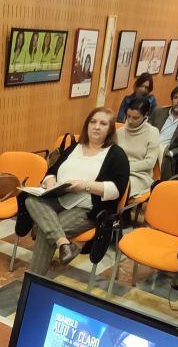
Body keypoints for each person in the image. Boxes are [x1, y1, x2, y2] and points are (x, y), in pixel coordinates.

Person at [18, 107, 130, 274]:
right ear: (87, 125)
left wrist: (84, 185)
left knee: (45, 230)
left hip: (89, 207)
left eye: (103, 123)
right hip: (59, 197)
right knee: (30, 199)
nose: (96, 127)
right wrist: (51, 184)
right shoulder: (75, 147)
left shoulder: (116, 154)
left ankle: (32, 281)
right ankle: (65, 244)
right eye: (93, 122)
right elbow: (51, 172)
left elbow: (116, 190)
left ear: (110, 129)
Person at [115, 96, 160, 198]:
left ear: (145, 116)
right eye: (128, 116)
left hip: (140, 175)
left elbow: (149, 163)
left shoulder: (152, 132)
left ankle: (121, 212)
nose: (130, 121)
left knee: (120, 185)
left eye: (135, 118)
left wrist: (124, 168)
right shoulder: (120, 132)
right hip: (119, 171)